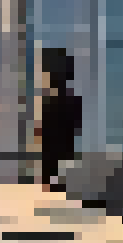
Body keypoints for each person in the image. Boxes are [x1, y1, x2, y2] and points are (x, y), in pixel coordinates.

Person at [34, 47, 83, 191]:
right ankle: (53, 183)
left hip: (57, 145)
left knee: (55, 166)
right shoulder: (70, 99)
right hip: (59, 145)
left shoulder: (55, 100)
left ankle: (52, 183)